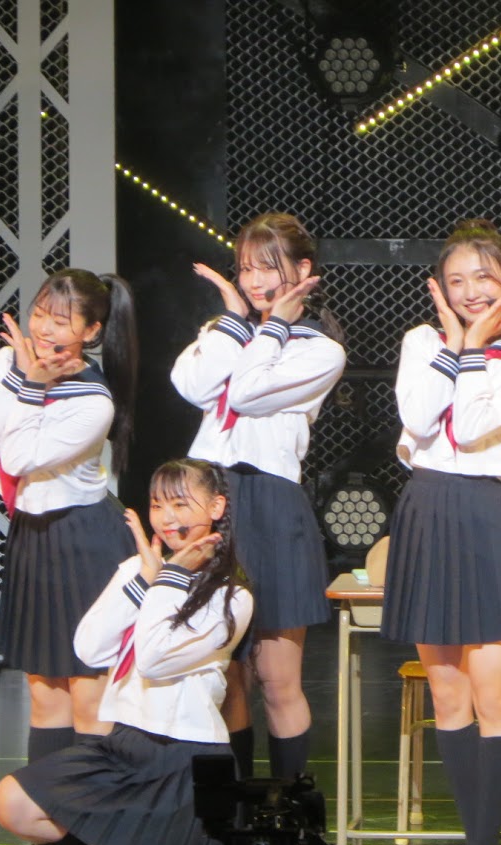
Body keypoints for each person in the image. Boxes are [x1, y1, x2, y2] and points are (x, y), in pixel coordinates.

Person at [380, 219, 501, 845]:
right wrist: (455, 346)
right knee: (446, 693)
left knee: (492, 694)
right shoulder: (420, 342)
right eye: (456, 281)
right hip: (426, 508)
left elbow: (476, 424)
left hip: (485, 512)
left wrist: (476, 348)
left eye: (483, 277)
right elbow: (420, 418)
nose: (471, 291)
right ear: (439, 289)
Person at [0, 458, 254, 845]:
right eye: (157, 505)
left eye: (180, 505)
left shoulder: (231, 597)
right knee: (13, 802)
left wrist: (168, 578)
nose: (166, 518)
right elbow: (89, 648)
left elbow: (153, 658)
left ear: (215, 507)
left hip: (185, 763)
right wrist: (144, 580)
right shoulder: (140, 570)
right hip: (124, 748)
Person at [0, 268, 139, 845]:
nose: (43, 328)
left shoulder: (92, 400)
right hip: (34, 540)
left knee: (89, 695)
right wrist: (20, 376)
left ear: (91, 331)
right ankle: (56, 831)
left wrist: (29, 385)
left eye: (61, 320)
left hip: (84, 540)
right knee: (45, 693)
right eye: (40, 312)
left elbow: (16, 455)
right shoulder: (11, 363)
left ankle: (97, 834)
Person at [171, 212, 346, 782]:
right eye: (245, 269)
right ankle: (235, 809)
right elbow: (191, 386)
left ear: (302, 269)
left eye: (268, 267)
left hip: (270, 502)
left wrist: (266, 330)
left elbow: (245, 393)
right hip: (210, 496)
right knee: (224, 675)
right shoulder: (228, 330)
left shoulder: (318, 348)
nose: (254, 281)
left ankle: (289, 807)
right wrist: (232, 322)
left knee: (276, 677)